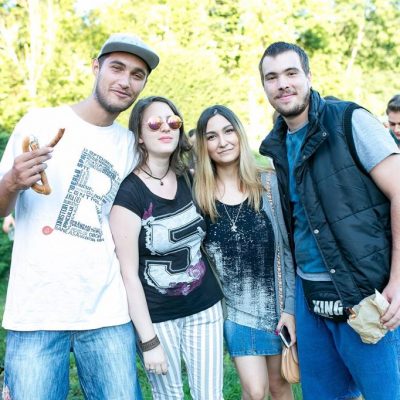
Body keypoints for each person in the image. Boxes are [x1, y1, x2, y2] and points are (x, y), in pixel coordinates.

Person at [0, 33, 159, 399]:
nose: (125, 81)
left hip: (106, 312)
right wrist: (11, 182)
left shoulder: (129, 146)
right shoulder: (39, 122)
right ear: (95, 67)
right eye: (117, 67)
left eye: (137, 75)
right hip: (35, 312)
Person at [258, 41, 400, 400]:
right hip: (310, 301)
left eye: (291, 73)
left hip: (367, 293)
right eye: (272, 77)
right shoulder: (276, 147)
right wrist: (291, 308)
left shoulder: (350, 120)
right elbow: (294, 233)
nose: (282, 84)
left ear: (308, 76)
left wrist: (398, 279)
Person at [110, 96, 224, 400]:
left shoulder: (189, 178)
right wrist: (148, 341)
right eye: (154, 123)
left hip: (205, 308)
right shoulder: (129, 193)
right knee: (169, 396)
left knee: (211, 396)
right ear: (139, 135)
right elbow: (128, 274)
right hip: (159, 318)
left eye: (173, 121)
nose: (166, 127)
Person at [193, 105, 296, 400]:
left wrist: (290, 310)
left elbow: (287, 251)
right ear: (203, 145)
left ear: (239, 134)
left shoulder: (268, 184)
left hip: (277, 312)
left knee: (280, 386)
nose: (223, 142)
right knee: (254, 390)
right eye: (212, 136)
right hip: (236, 313)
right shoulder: (198, 195)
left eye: (228, 131)